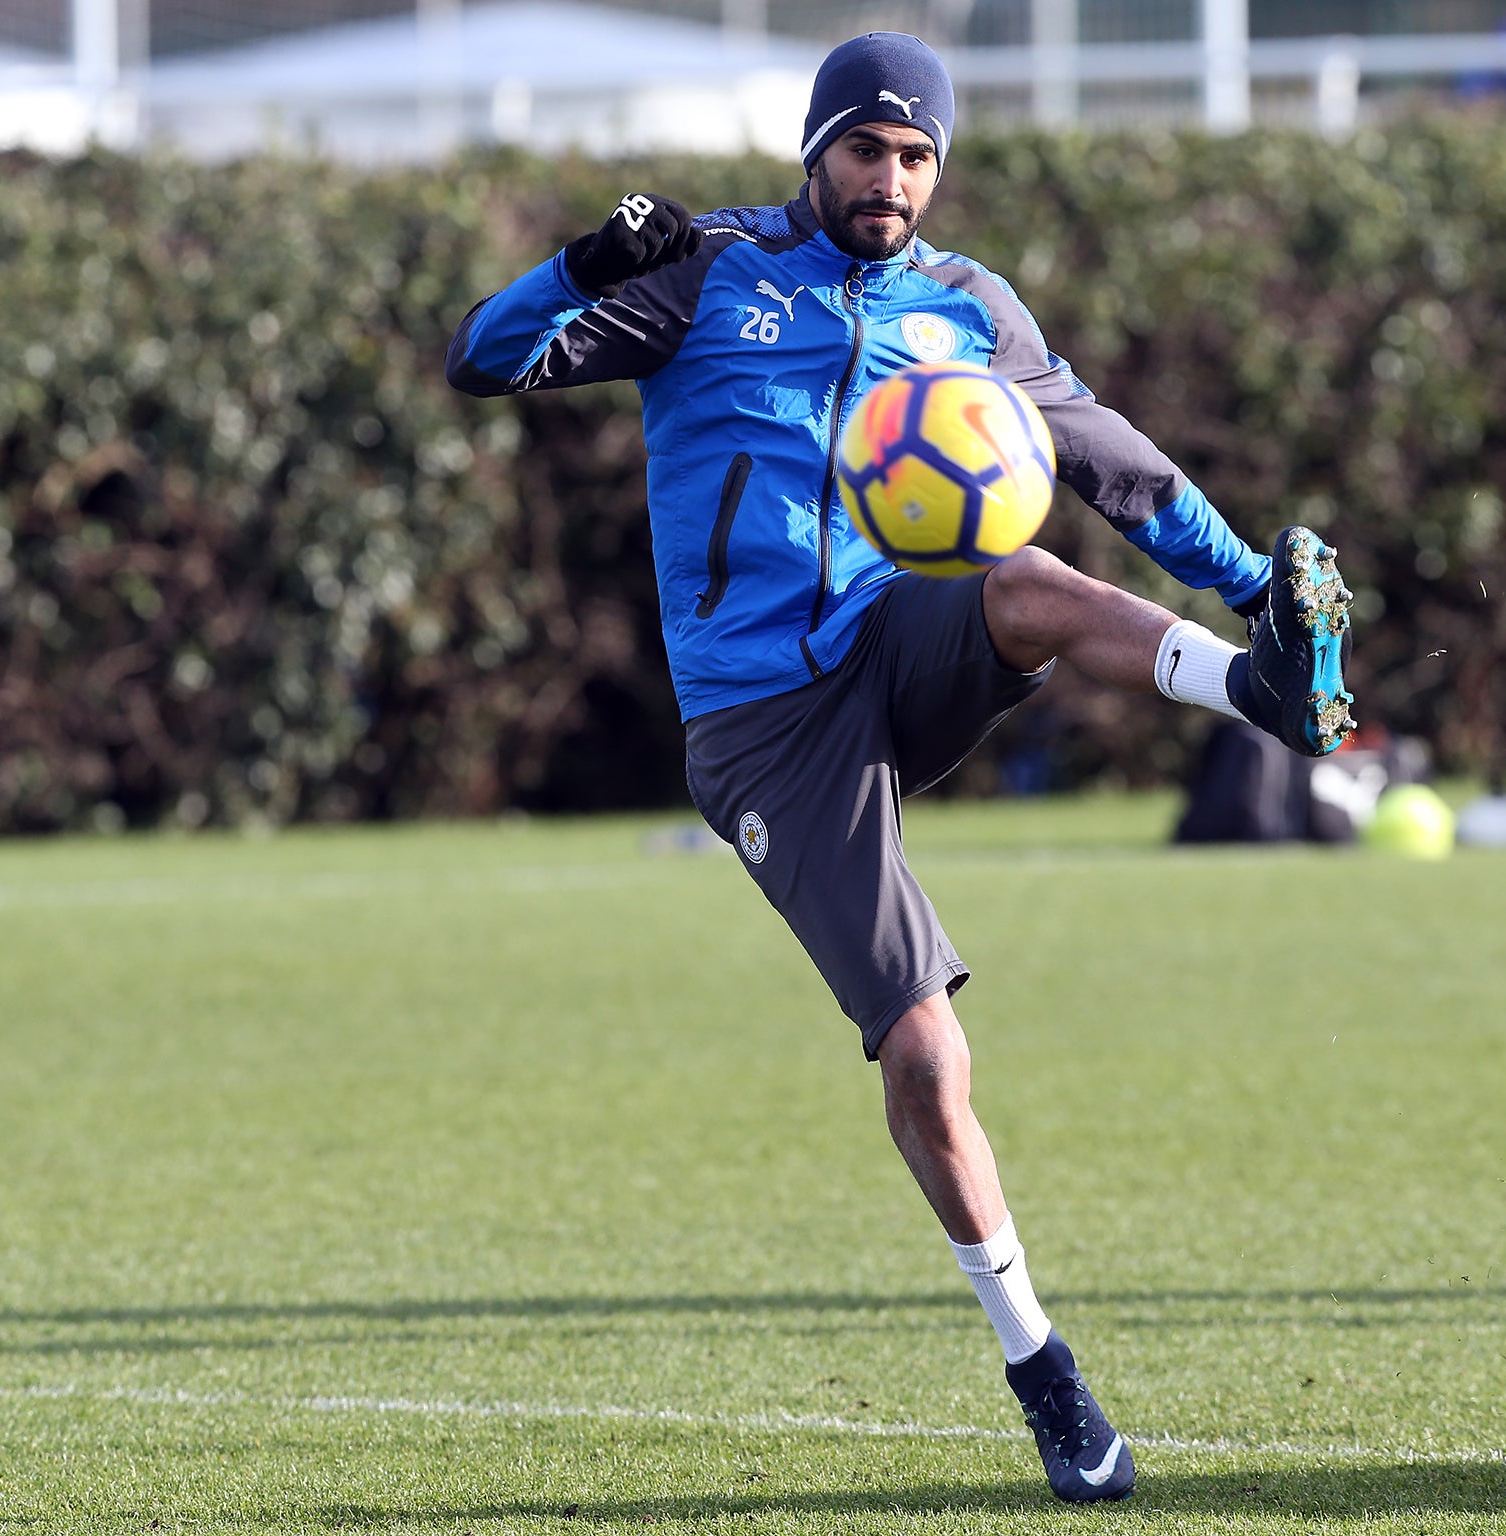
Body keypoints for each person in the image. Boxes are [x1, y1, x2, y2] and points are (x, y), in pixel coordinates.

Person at [446, 31, 1354, 1504]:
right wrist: (585, 261)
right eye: (867, 149)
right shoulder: (706, 268)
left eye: (918, 155)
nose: (893, 178)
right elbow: (479, 360)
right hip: (761, 726)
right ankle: (1044, 1372)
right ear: (817, 151)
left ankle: (1256, 690)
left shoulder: (967, 308)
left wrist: (1258, 585)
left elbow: (1115, 464)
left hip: (894, 643)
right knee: (930, 1059)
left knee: (1029, 572)